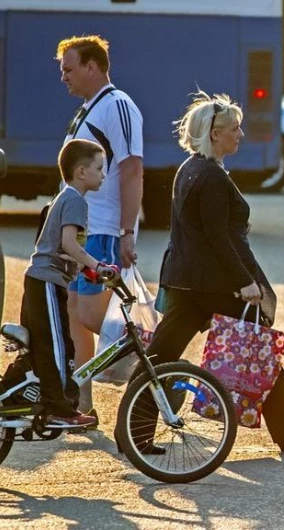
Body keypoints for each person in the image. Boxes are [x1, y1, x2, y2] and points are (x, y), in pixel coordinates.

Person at [137, 92, 284, 453]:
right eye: (234, 129)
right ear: (214, 134)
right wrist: (245, 282)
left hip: (187, 280)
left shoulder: (191, 168)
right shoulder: (210, 176)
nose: (241, 134)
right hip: (213, 283)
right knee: (257, 346)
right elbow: (218, 238)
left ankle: (134, 431)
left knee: (162, 354)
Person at [56, 35, 144, 419]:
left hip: (105, 231)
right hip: (81, 231)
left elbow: (132, 168)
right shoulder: (86, 110)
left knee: (94, 318)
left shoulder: (118, 105)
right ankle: (83, 404)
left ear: (92, 66)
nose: (64, 77)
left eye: (69, 69)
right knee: (76, 316)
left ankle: (152, 368)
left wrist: (127, 232)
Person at [0, 139, 117, 429]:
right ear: (80, 171)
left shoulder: (67, 197)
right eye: (100, 168)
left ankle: (40, 397)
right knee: (55, 349)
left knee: (53, 346)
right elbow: (68, 243)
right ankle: (58, 409)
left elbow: (63, 248)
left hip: (45, 282)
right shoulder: (76, 200)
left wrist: (87, 270)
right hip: (46, 283)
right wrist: (98, 265)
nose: (104, 174)